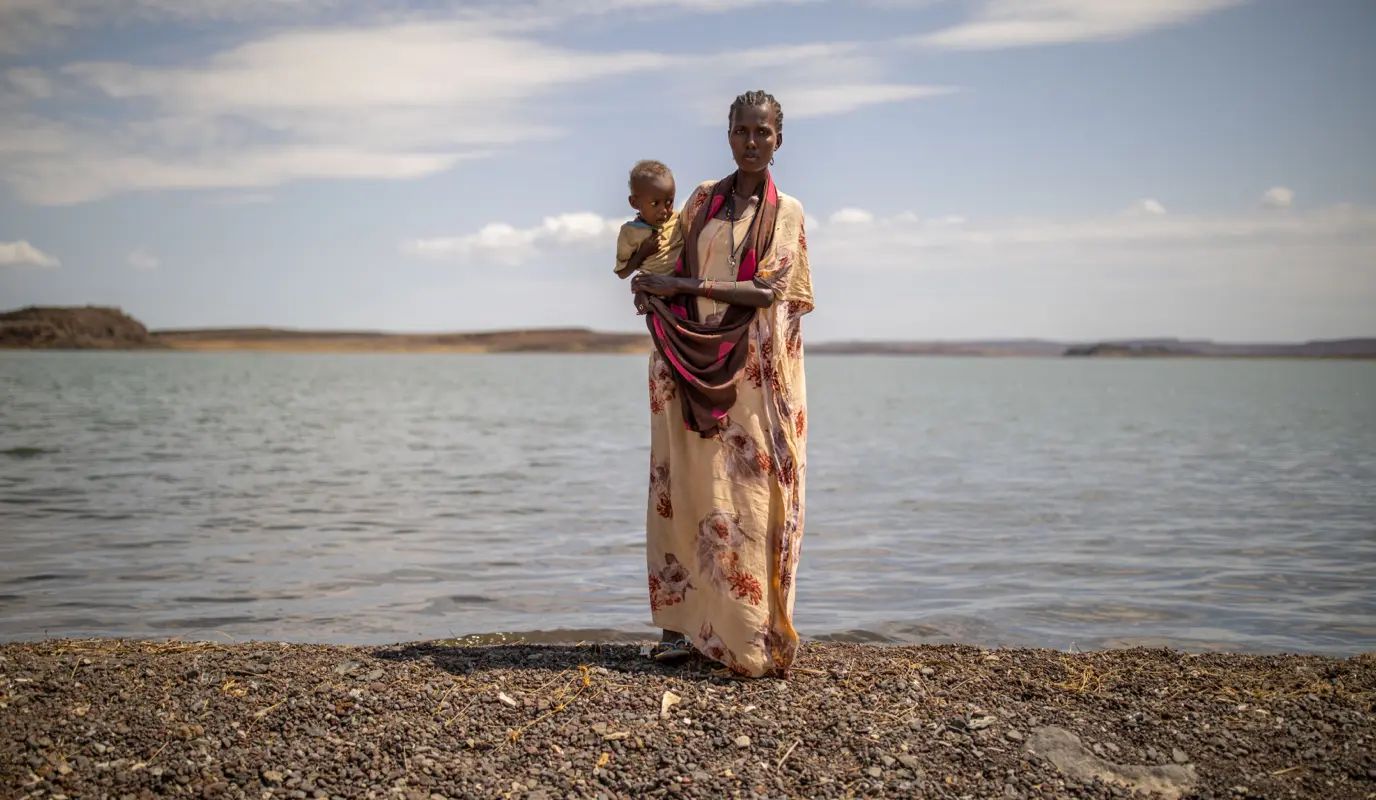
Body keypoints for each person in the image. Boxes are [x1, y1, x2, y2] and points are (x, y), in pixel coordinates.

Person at [631, 90, 813, 679]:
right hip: (685, 360)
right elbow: (670, 265)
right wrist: (645, 280)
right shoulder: (703, 200)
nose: (753, 142)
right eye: (743, 131)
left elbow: (766, 292)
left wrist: (690, 291)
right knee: (683, 486)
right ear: (729, 135)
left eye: (764, 133)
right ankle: (680, 630)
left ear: (778, 140)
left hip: (754, 372)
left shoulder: (787, 213)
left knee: (748, 494)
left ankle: (746, 631)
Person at [615, 160, 684, 283]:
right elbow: (622, 273)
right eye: (655, 203)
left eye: (669, 202)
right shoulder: (629, 232)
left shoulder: (679, 219)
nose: (663, 210)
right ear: (634, 203)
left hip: (682, 284)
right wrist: (642, 253)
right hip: (652, 289)